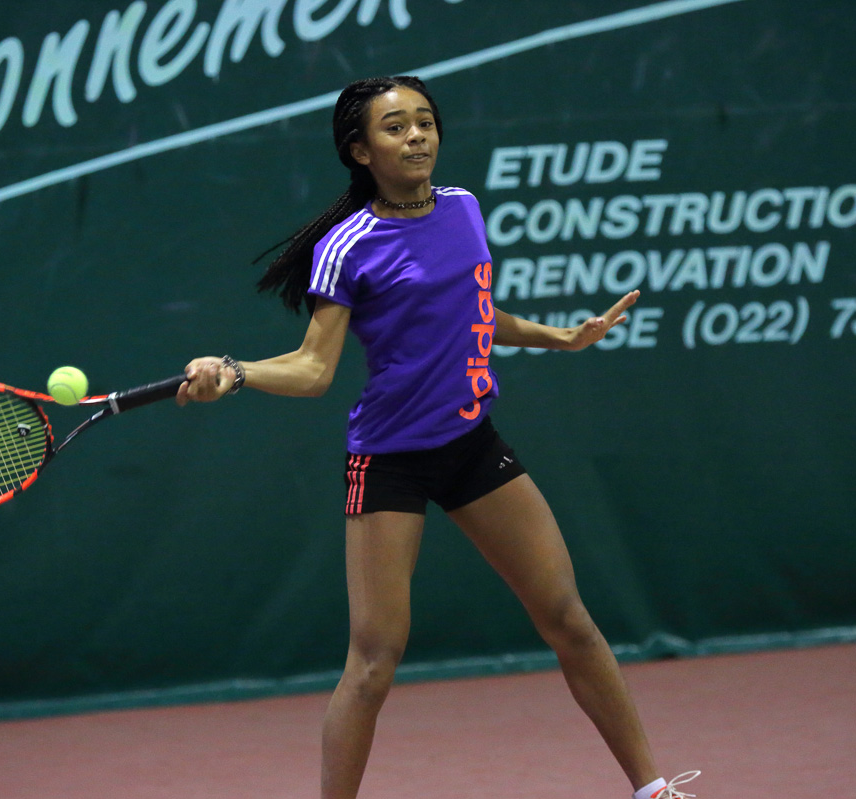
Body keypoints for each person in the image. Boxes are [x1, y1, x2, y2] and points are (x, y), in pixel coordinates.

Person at [176, 75, 700, 799]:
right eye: (395, 127)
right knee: (373, 663)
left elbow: (477, 310)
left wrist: (561, 336)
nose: (417, 135)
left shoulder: (463, 209)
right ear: (360, 151)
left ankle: (652, 789)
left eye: (424, 121)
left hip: (472, 445)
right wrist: (236, 372)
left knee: (569, 620)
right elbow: (313, 368)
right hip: (389, 460)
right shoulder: (346, 245)